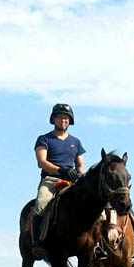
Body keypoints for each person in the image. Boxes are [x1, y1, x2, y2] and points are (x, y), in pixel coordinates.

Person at [32, 103, 87, 246]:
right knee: (40, 205)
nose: (63, 121)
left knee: (94, 206)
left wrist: (80, 175)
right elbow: (42, 162)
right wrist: (61, 170)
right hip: (51, 181)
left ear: (70, 121)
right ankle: (37, 242)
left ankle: (98, 245)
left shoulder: (76, 142)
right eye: (60, 118)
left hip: (72, 182)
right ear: (54, 119)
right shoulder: (44, 139)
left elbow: (80, 164)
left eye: (66, 118)